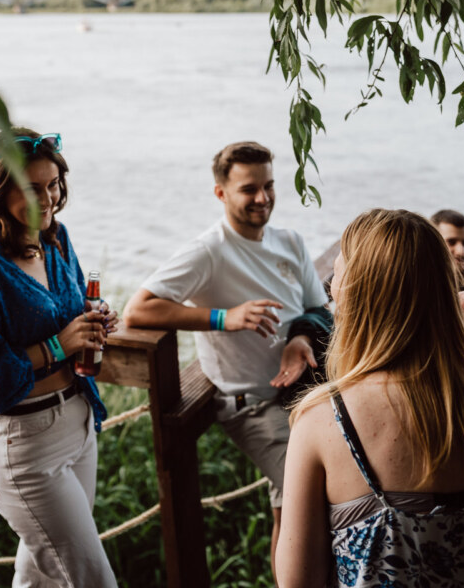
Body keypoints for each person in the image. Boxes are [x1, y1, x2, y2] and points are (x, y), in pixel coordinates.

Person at [276, 208, 464, 587]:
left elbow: (296, 582)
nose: (330, 289)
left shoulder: (325, 422)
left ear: (359, 298)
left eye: (336, 277)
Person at [122, 141, 330, 573]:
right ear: (220, 193)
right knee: (314, 498)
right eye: (249, 189)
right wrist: (223, 317)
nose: (263, 198)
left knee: (289, 514)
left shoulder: (289, 241)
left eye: (269, 186)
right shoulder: (208, 252)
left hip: (305, 393)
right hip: (255, 405)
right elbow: (137, 309)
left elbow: (317, 309)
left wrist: (301, 339)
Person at [0, 129, 117, 587]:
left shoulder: (56, 240)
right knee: (92, 579)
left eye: (53, 184)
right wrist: (59, 344)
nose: (49, 198)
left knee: (42, 577)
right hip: (26, 447)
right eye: (32, 188)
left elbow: (69, 311)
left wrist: (93, 318)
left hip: (78, 425)